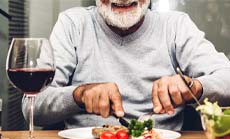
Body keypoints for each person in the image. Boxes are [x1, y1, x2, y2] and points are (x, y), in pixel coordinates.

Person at [23, 0, 230, 130]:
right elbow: (32, 105)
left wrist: (192, 87)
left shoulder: (176, 25)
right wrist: (79, 95)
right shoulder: (73, 24)